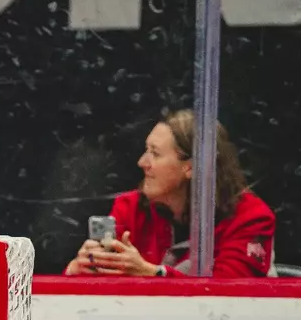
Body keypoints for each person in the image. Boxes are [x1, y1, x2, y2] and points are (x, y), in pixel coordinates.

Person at [66, 110, 275, 277]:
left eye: (154, 154)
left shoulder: (251, 217)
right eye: (146, 151)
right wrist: (78, 271)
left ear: (191, 167)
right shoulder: (130, 207)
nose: (142, 163)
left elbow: (231, 299)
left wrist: (154, 274)